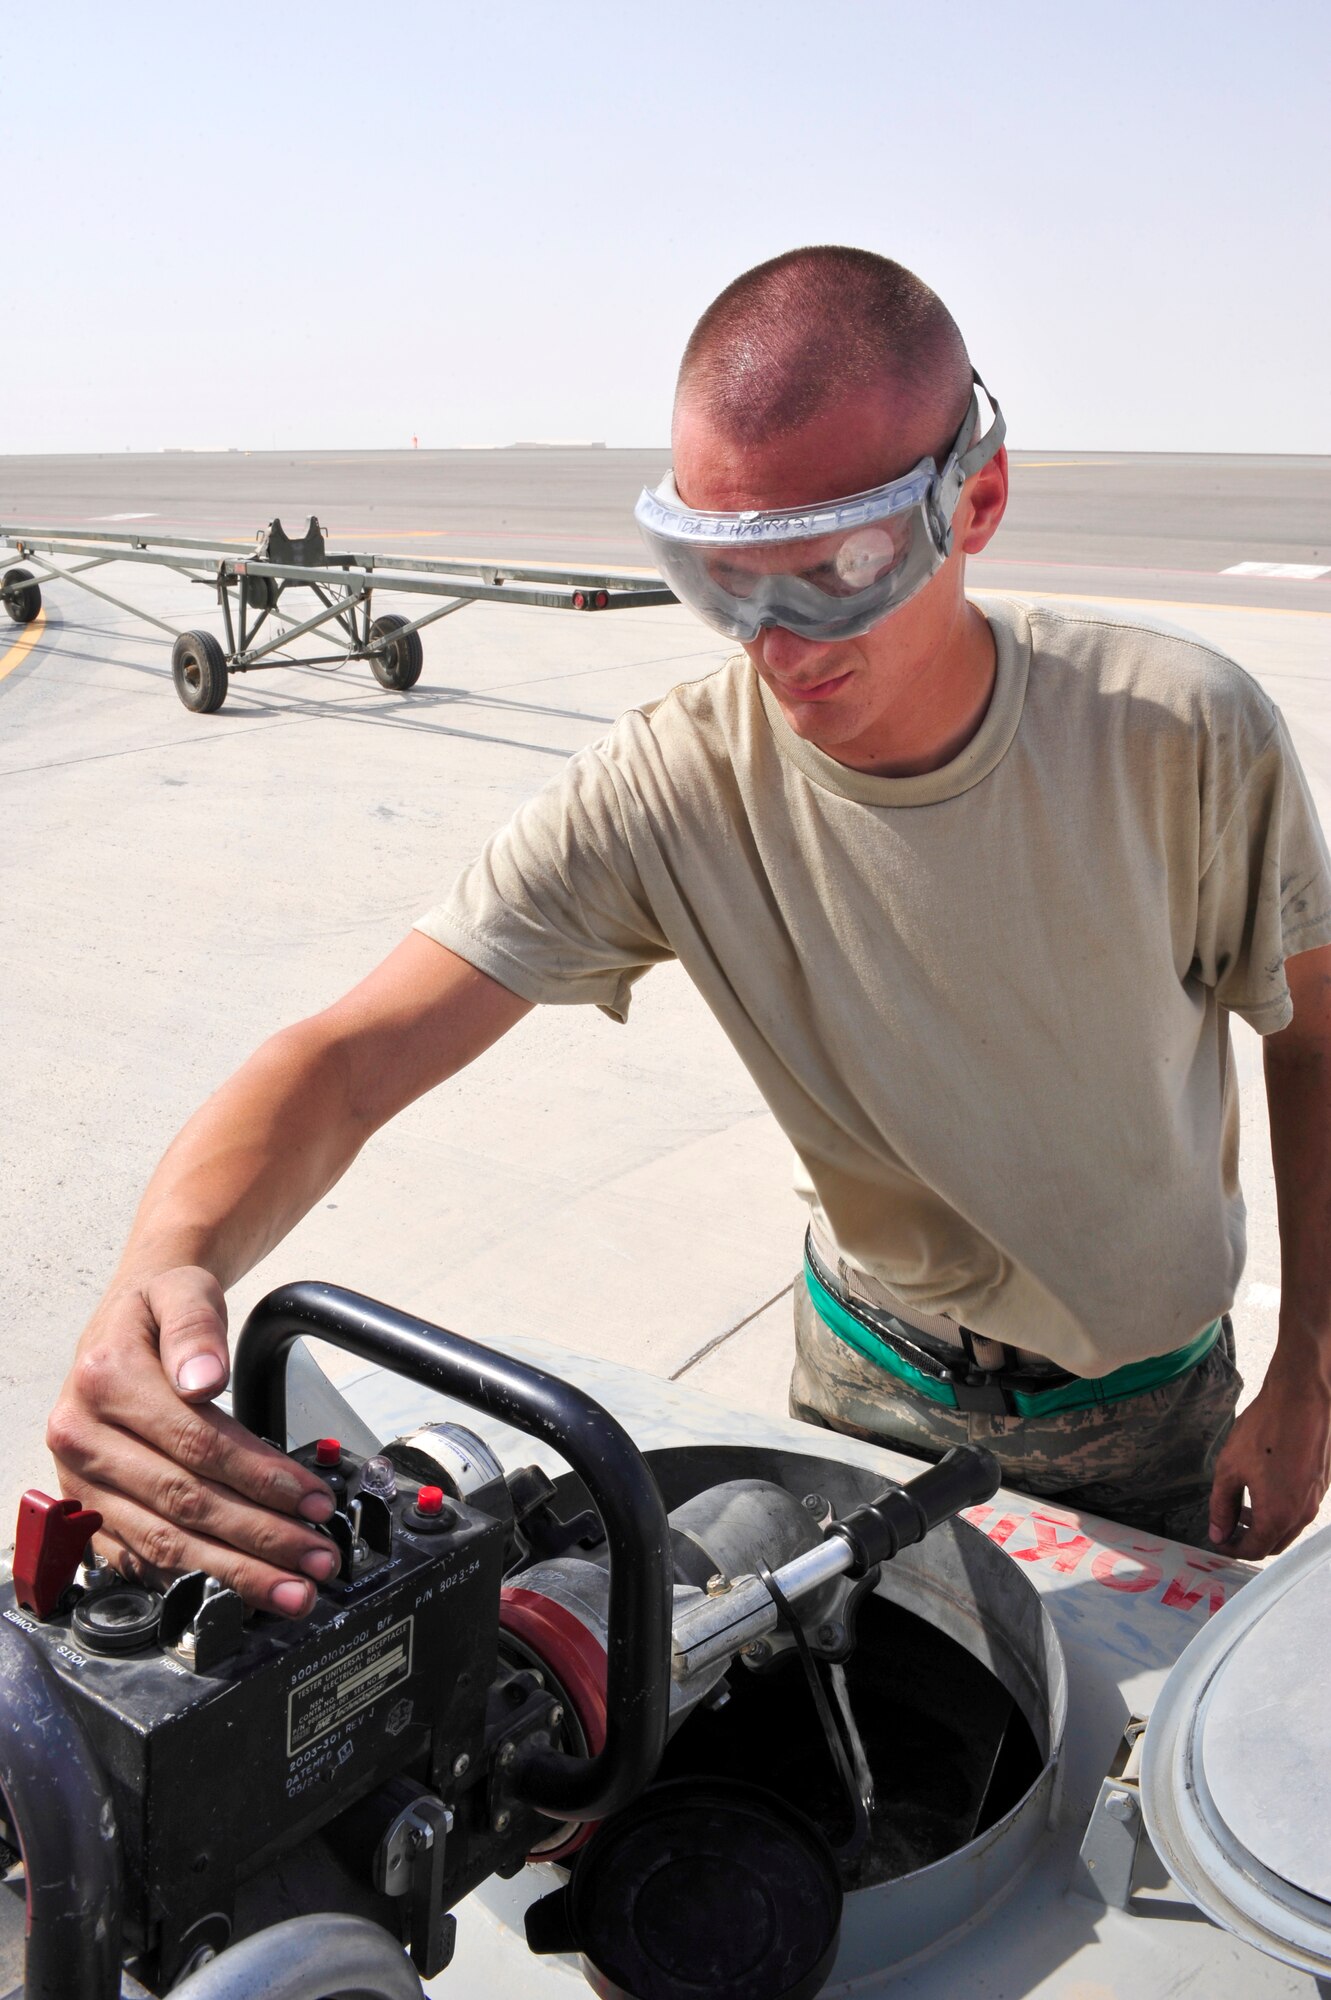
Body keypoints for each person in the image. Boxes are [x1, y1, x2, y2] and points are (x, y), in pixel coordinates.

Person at [46, 247, 1331, 1619]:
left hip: (1145, 1424)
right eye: (723, 579)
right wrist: (161, 1270)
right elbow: (354, 1057)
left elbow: (1311, 1029)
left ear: (979, 500)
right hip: (865, 1393)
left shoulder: (1176, 736)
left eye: (836, 567)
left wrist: (1307, 1359)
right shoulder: (676, 787)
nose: (777, 647)